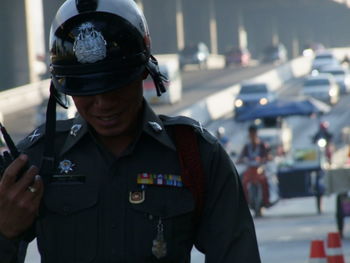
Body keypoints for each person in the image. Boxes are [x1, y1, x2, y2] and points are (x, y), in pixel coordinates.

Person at [0, 0, 261, 262]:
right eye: (87, 90)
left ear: (144, 72)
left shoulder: (196, 156)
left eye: (114, 86)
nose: (103, 104)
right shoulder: (32, 162)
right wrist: (6, 232)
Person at [237, 124, 272, 214]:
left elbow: (268, 156)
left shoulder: (262, 145)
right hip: (250, 170)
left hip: (259, 169)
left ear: (256, 134)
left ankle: (266, 201)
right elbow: (240, 158)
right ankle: (245, 203)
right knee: (244, 182)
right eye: (251, 133)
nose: (252, 135)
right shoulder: (247, 146)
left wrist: (263, 159)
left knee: (265, 182)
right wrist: (241, 160)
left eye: (254, 133)